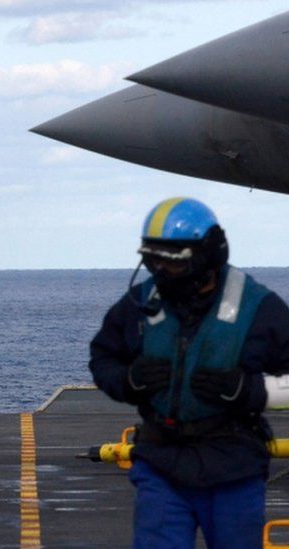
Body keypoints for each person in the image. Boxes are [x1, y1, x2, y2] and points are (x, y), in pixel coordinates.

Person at [89, 197, 289, 548]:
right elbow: (104, 358)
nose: (162, 273)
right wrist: (129, 380)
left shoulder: (260, 309)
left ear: (206, 256)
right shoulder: (139, 305)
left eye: (173, 264)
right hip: (162, 462)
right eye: (153, 262)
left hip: (234, 466)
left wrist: (251, 391)